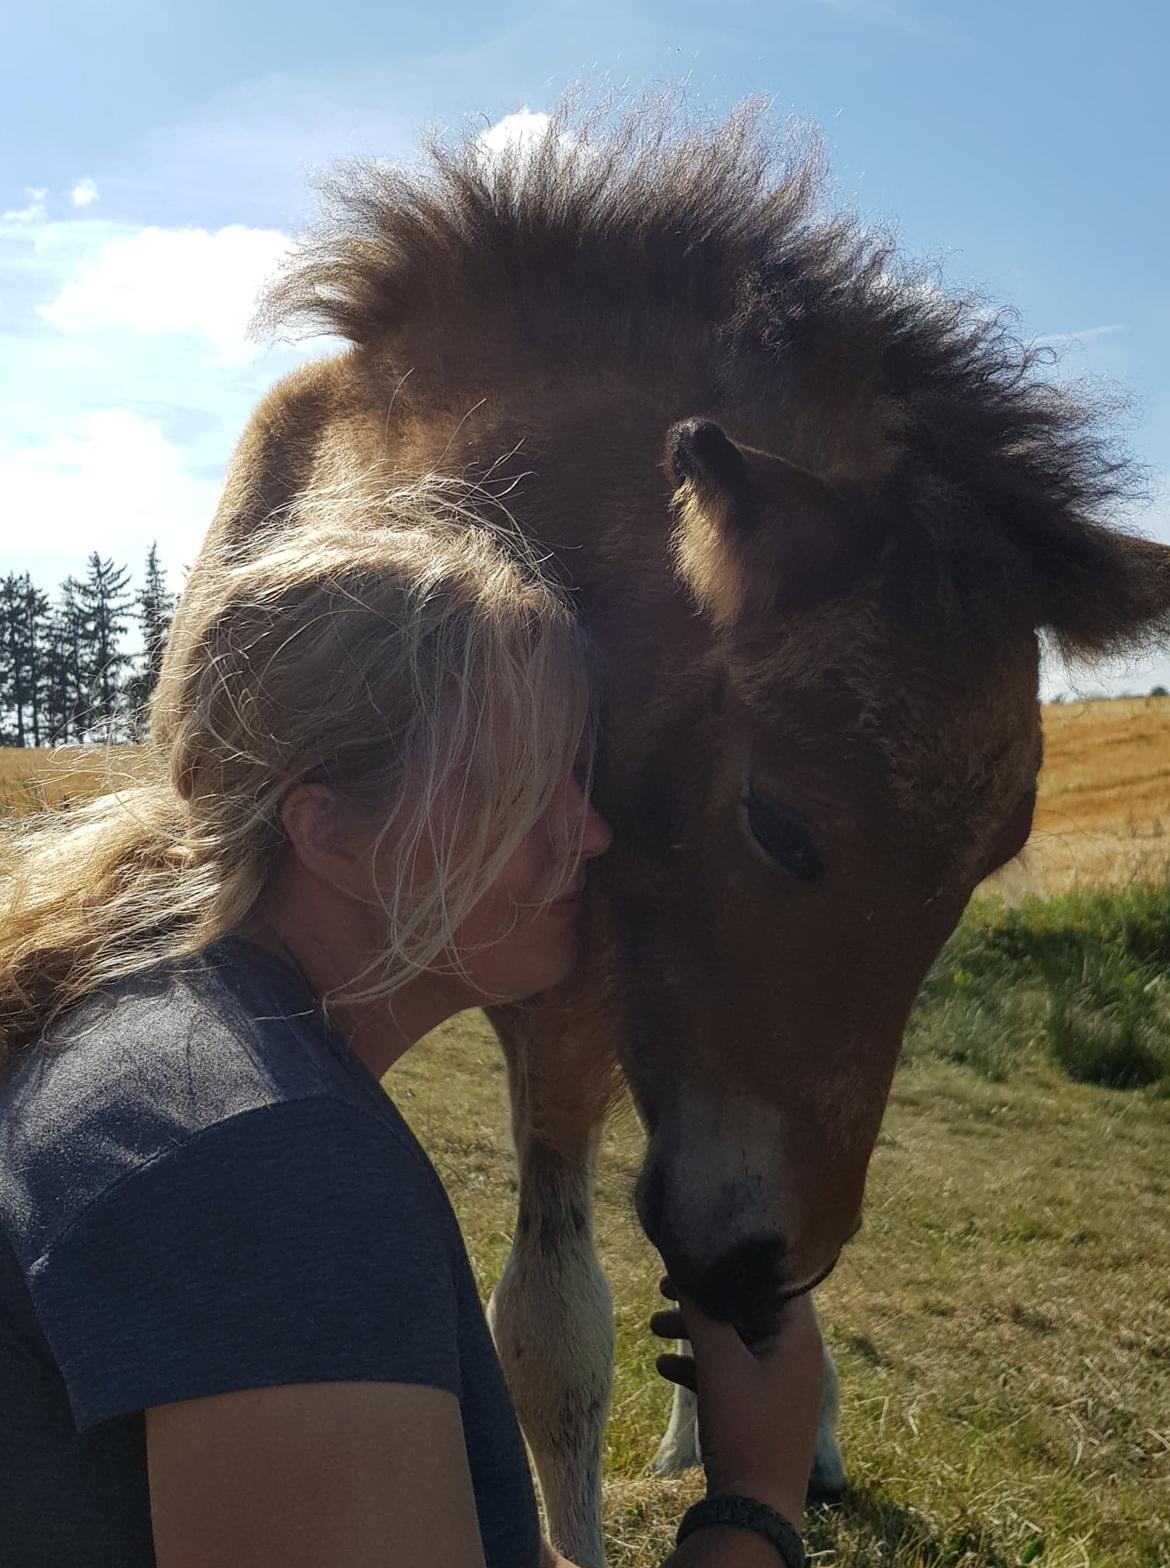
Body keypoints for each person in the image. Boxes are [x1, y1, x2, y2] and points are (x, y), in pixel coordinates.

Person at [0, 479, 824, 1568]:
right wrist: (757, 1495)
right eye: (533, 784)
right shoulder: (263, 1162)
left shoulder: (170, 1043)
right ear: (332, 832)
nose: (590, 832)